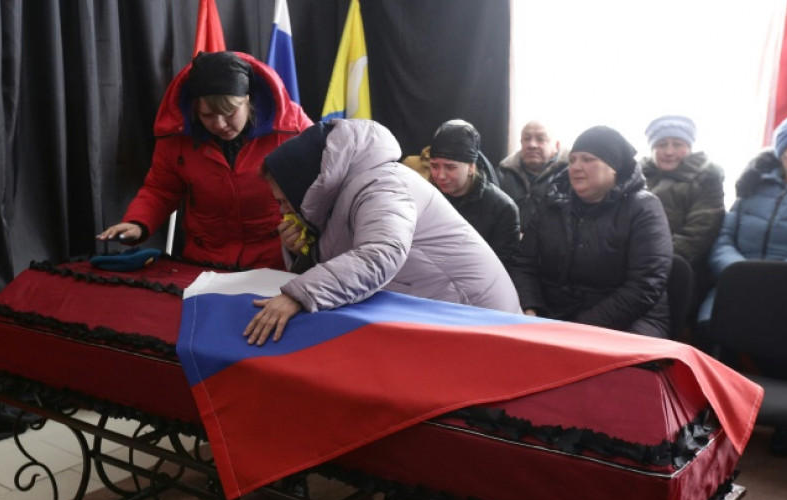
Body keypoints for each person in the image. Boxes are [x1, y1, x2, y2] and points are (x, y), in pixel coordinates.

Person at [244, 119, 522, 345]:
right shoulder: (346, 190)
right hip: (448, 316)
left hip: (479, 320)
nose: (283, 211)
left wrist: (298, 295)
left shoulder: (382, 185)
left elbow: (380, 253)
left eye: (283, 200)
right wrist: (303, 251)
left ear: (301, 184)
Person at [697, 110, 787, 457]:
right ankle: (720, 411)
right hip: (739, 284)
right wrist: (741, 274)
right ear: (781, 152)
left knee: (781, 338)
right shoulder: (752, 187)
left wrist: (775, 279)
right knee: (706, 328)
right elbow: (723, 239)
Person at [97, 51, 312, 269]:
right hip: (204, 262)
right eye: (207, 115)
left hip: (276, 260)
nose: (219, 124)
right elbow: (160, 189)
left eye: (228, 113)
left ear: (247, 99)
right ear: (194, 109)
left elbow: (323, 186)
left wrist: (306, 232)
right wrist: (138, 223)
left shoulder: (291, 128)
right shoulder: (177, 136)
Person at [510, 125, 673, 338]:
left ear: (614, 167)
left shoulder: (644, 208)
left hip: (629, 320)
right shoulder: (552, 203)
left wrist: (578, 329)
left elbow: (644, 286)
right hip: (555, 316)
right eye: (572, 160)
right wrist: (531, 309)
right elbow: (524, 264)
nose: (576, 167)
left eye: (587, 159)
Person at [641, 115, 726, 316]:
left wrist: (651, 260)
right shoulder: (635, 176)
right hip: (632, 262)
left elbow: (698, 233)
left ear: (689, 147)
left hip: (678, 268)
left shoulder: (707, 178)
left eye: (677, 144)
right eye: (662, 144)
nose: (669, 151)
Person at [428, 120, 520, 271]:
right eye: (434, 166)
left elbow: (501, 269)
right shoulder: (426, 198)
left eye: (450, 167)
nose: (440, 175)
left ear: (471, 167)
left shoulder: (503, 209)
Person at [497, 120, 569, 231]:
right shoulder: (502, 174)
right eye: (527, 139)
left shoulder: (569, 176)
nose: (532, 145)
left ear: (556, 145)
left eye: (541, 139)